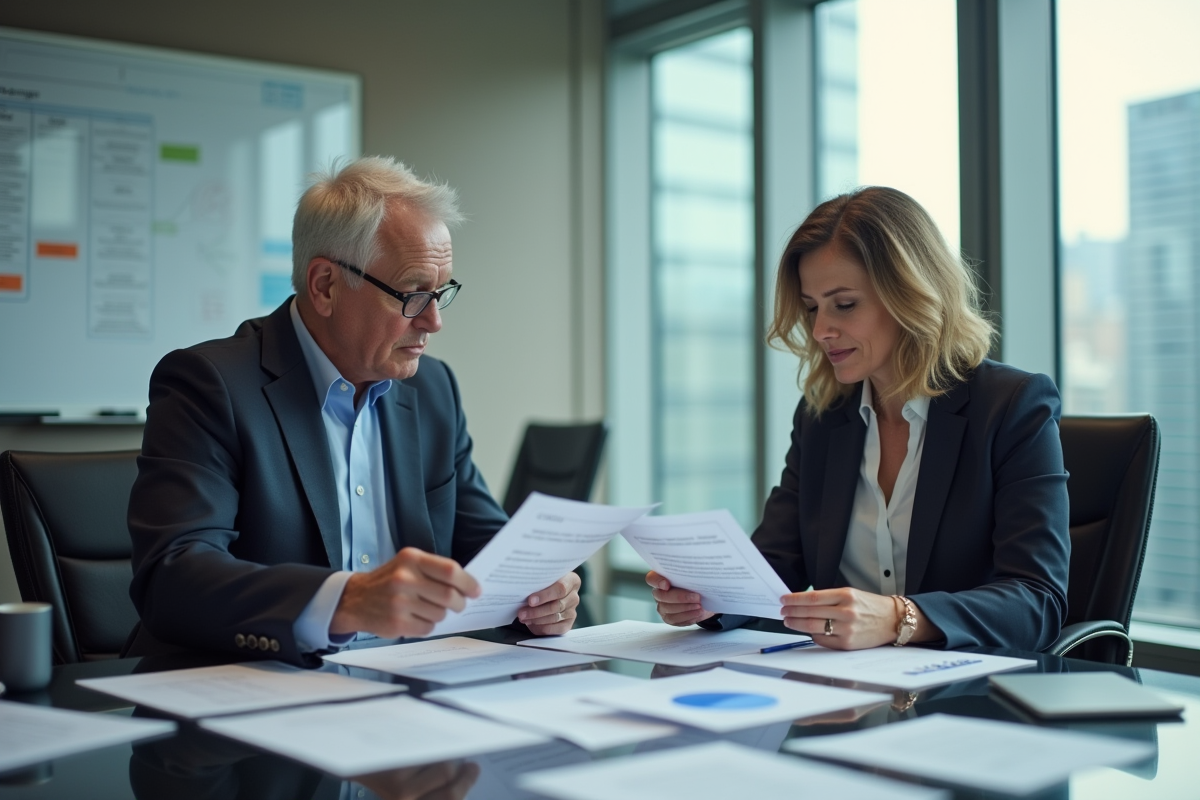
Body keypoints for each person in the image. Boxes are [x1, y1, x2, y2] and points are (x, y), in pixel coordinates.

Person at [127, 157, 580, 666]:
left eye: (441, 292)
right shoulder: (211, 384)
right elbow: (173, 578)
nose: (433, 321)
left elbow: (483, 545)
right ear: (325, 286)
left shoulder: (432, 388)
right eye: (412, 294)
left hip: (409, 689)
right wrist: (348, 600)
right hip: (252, 688)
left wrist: (541, 590)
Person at [647, 186, 1070, 652]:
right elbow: (774, 564)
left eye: (844, 304)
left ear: (911, 294)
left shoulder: (1012, 406)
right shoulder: (823, 418)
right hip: (844, 696)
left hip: (964, 695)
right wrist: (711, 599)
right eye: (811, 307)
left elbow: (1037, 600)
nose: (821, 330)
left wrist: (897, 617)